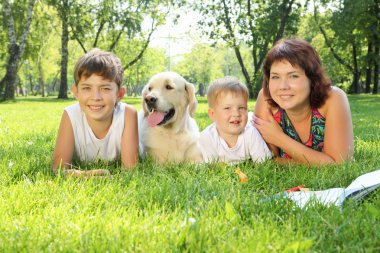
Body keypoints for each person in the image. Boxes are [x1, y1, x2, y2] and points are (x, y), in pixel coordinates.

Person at [253, 38, 354, 165]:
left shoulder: (334, 98)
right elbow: (266, 161)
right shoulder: (266, 98)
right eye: (275, 77)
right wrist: (319, 162)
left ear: (312, 78)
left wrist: (279, 138)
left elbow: (339, 165)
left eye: (293, 76)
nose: (283, 86)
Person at [52, 49, 138, 177]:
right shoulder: (70, 115)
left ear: (119, 94)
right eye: (87, 88)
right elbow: (58, 169)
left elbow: (130, 170)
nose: (96, 97)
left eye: (105, 88)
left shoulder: (127, 114)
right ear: (76, 92)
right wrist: (89, 174)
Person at [198, 76, 272, 163]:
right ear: (213, 114)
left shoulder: (251, 133)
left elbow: (264, 163)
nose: (236, 114)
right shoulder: (207, 138)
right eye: (227, 108)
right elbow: (212, 169)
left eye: (241, 108)